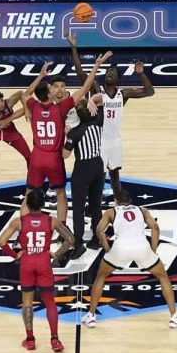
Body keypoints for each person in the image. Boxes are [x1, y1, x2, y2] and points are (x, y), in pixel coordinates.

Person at [19, 51, 113, 228]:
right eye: (52, 89)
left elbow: (25, 95)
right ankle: (62, 229)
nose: (56, 90)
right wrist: (97, 65)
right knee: (61, 193)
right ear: (49, 95)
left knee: (29, 193)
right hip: (54, 157)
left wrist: (40, 76)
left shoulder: (34, 106)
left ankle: (24, 229)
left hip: (37, 156)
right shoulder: (60, 109)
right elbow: (85, 88)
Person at [81, 190, 177, 328]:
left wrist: (107, 248)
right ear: (130, 201)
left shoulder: (111, 212)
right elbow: (155, 228)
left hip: (120, 248)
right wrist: (153, 251)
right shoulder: (142, 210)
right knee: (163, 277)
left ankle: (91, 316)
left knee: (101, 277)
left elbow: (99, 230)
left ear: (116, 201)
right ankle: (174, 317)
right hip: (142, 247)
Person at [68, 33, 155, 197]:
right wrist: (73, 47)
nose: (110, 74)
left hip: (114, 141)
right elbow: (80, 72)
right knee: (98, 175)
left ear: (118, 80)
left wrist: (140, 74)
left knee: (114, 174)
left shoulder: (124, 94)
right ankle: (95, 201)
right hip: (98, 141)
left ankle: (118, 201)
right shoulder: (96, 89)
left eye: (114, 73)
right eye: (108, 72)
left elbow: (150, 92)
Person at [0, 190, 75, 352]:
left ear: (27, 204)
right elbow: (70, 239)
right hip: (43, 262)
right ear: (43, 204)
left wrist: (15, 256)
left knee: (27, 302)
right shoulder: (51, 221)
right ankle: (55, 340)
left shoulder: (18, 222)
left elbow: (2, 241)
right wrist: (56, 254)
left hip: (27, 262)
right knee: (50, 302)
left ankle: (30, 339)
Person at [63, 100, 104, 259]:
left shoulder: (75, 132)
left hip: (82, 169)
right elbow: (100, 100)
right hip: (98, 167)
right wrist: (93, 101)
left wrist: (66, 136)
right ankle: (97, 238)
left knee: (78, 209)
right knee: (96, 206)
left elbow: (65, 154)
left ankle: (78, 244)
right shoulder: (99, 122)